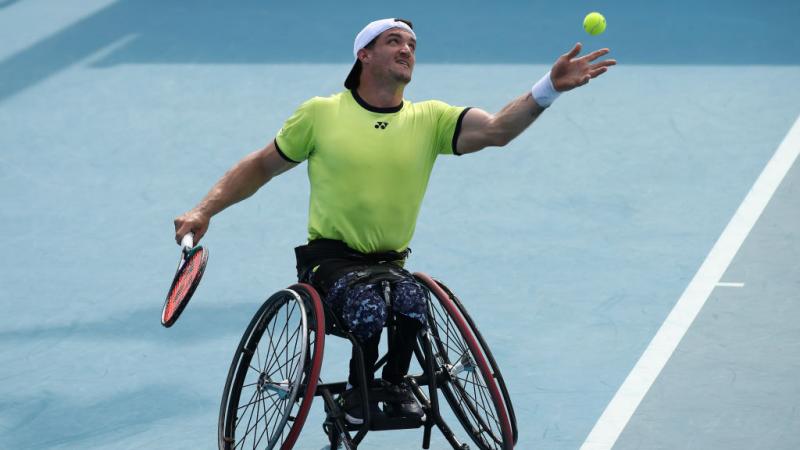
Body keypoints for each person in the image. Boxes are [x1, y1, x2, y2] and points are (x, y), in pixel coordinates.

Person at [174, 18, 615, 425]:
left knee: (410, 298)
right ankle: (357, 394)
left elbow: (497, 130)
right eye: (394, 41)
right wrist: (204, 209)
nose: (407, 49)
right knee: (369, 304)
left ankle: (392, 384)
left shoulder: (431, 119)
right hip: (328, 264)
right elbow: (260, 166)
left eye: (412, 44)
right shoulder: (321, 114)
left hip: (390, 265)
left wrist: (547, 89)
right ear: (364, 55)